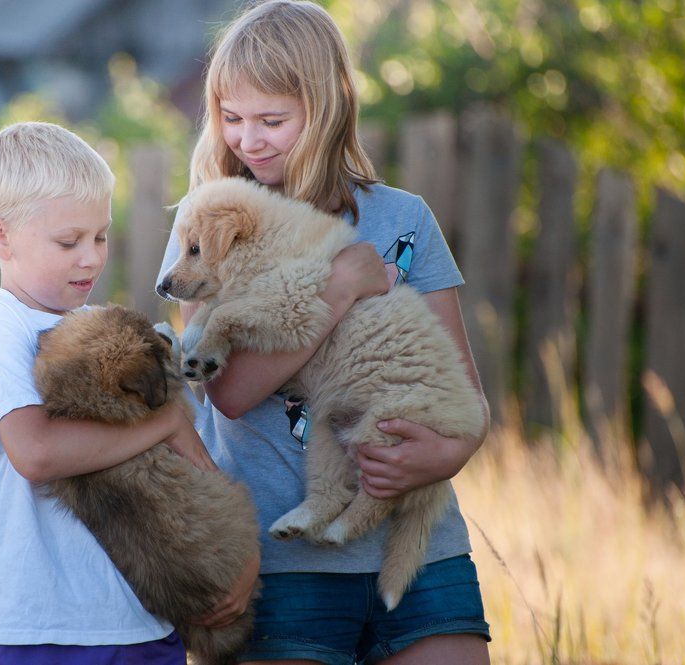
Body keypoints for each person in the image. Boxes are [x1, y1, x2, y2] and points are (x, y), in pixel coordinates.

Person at [155, 2, 492, 664]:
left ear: (328, 106)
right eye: (232, 118)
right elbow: (226, 393)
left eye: (272, 120)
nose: (249, 139)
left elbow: (468, 399)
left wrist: (445, 455)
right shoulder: (211, 219)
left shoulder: (404, 219)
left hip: (421, 552)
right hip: (281, 564)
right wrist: (337, 289)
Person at [0, 122, 254, 665]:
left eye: (101, 237)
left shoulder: (117, 335)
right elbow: (36, 453)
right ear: (0, 236)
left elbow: (195, 463)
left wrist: (243, 564)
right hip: (39, 630)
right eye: (69, 242)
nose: (90, 257)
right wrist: (163, 423)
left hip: (145, 624)